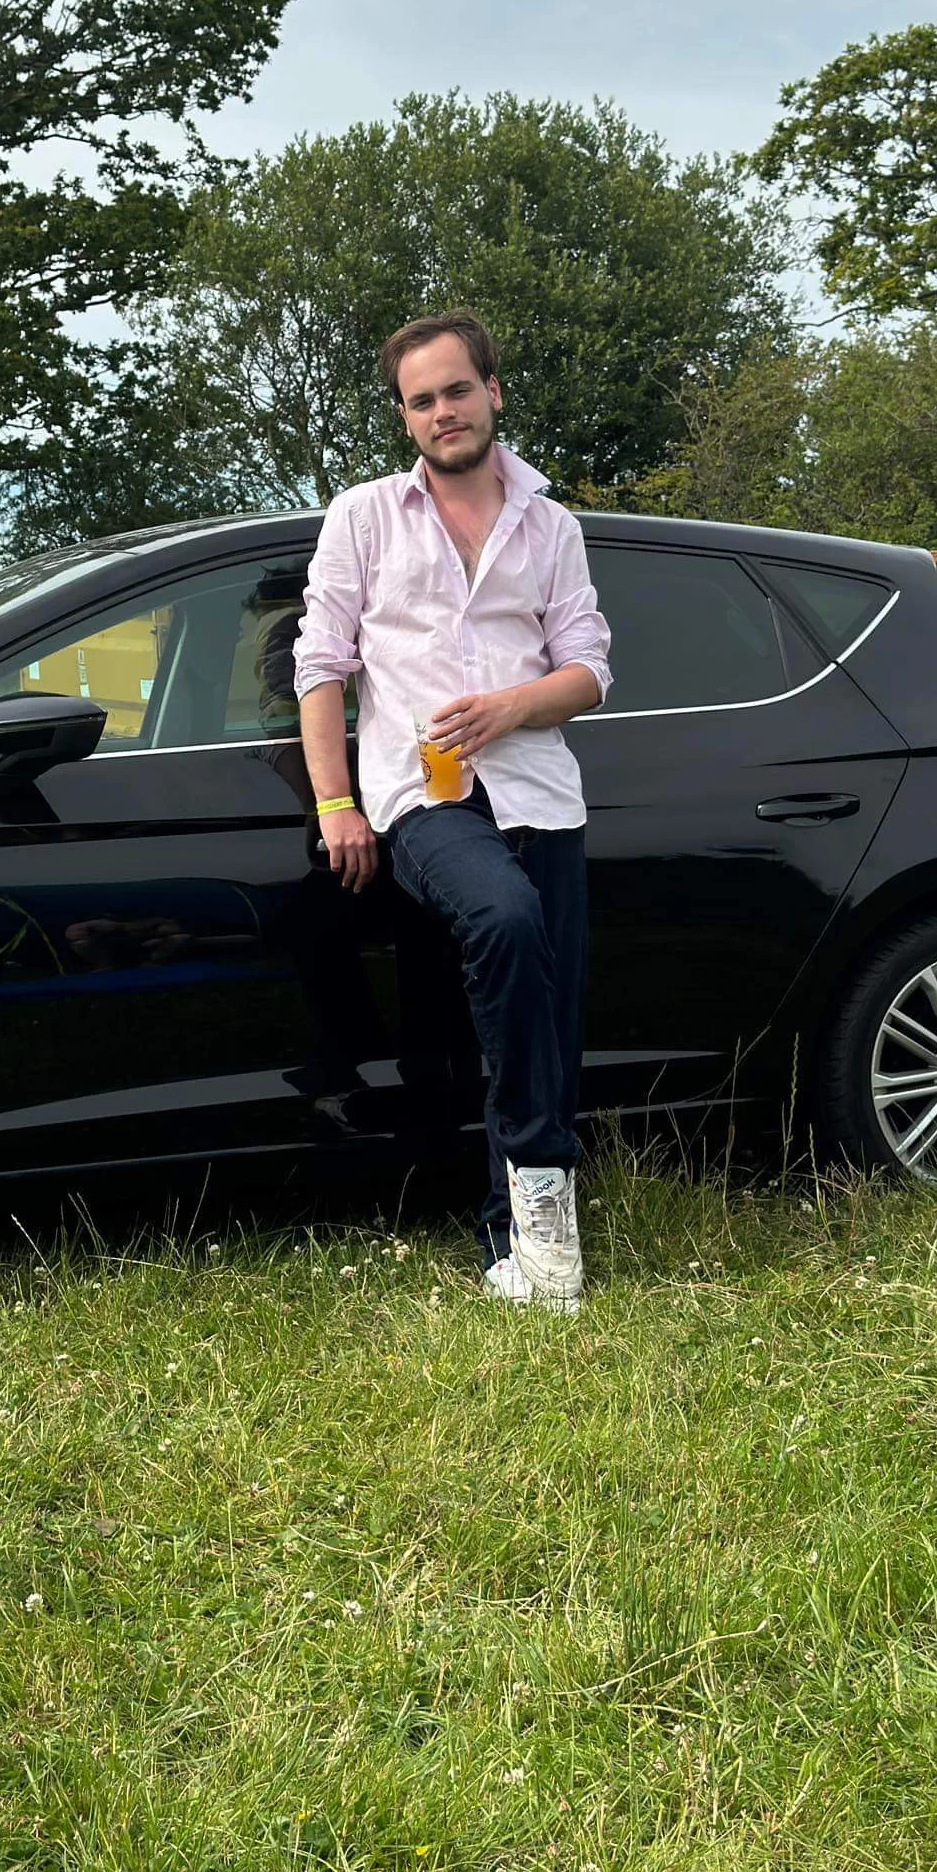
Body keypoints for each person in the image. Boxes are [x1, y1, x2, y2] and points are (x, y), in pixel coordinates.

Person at [291, 311, 611, 1310]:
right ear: (405, 417)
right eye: (421, 399)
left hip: (540, 794)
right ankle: (544, 1223)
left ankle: (526, 1243)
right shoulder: (364, 517)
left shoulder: (552, 528)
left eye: (457, 390)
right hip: (421, 798)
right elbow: (320, 666)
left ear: (492, 393)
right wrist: (335, 802)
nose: (443, 411)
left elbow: (589, 669)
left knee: (549, 1018)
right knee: (504, 918)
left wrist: (514, 705)